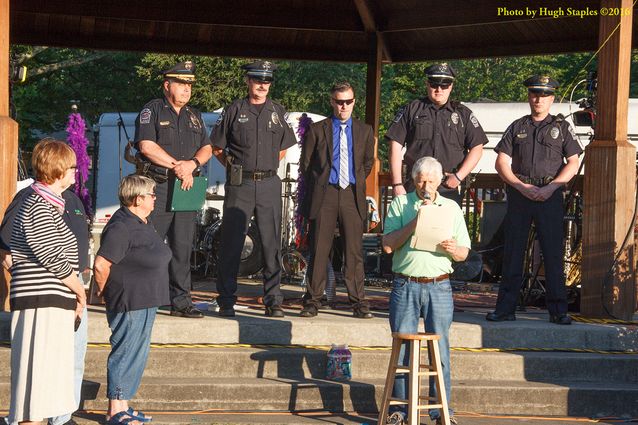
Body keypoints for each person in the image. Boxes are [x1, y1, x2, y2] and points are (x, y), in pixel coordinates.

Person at [486, 75, 582, 325]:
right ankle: (505, 309)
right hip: (520, 193)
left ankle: (558, 310)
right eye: (534, 93)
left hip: (550, 195)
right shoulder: (517, 126)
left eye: (544, 94)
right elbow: (501, 162)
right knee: (513, 252)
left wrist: (552, 188)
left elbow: (573, 162)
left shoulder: (562, 128)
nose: (538, 99)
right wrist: (519, 185)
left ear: (552, 98)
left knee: (552, 253)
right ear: (529, 96)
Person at [382, 156, 470, 425]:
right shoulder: (400, 203)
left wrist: (456, 250)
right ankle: (400, 410)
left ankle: (441, 411)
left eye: (431, 181)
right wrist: (416, 221)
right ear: (413, 180)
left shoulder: (452, 208)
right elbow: (387, 245)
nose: (425, 185)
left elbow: (464, 253)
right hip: (406, 284)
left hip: (439, 286)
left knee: (440, 351)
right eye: (421, 180)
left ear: (440, 182)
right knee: (404, 349)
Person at [4, 140, 85, 425]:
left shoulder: (50, 205)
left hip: (51, 304)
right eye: (73, 166)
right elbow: (51, 255)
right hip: (41, 306)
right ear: (58, 169)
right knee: (36, 395)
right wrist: (80, 292)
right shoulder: (36, 204)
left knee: (44, 392)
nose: (76, 172)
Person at [210, 60, 297, 317]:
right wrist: (234, 167)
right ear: (248, 81)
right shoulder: (234, 110)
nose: (263, 85)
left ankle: (273, 300)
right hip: (241, 183)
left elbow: (283, 148)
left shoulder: (277, 111)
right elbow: (216, 147)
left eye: (267, 80)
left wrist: (265, 167)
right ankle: (226, 299)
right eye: (258, 80)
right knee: (232, 243)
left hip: (269, 183)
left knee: (271, 244)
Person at [134, 60, 212, 319]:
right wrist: (177, 166)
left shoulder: (195, 116)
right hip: (159, 186)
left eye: (189, 85)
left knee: (182, 246)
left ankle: (181, 301)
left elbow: (207, 148)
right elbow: (146, 146)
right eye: (181, 84)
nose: (187, 89)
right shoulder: (152, 110)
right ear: (167, 85)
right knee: (151, 243)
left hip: (187, 186)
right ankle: (146, 298)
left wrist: (191, 164)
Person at [93, 175, 172, 425]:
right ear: (138, 199)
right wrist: (105, 293)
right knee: (125, 352)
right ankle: (115, 409)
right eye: (151, 195)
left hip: (145, 299)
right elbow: (101, 264)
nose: (155, 198)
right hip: (129, 300)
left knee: (137, 353)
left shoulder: (141, 222)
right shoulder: (122, 225)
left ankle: (123, 405)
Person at [298, 81, 375, 318]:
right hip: (326, 193)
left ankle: (358, 301)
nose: (344, 106)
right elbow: (307, 163)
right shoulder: (318, 129)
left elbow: (367, 163)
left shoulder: (365, 131)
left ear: (354, 102)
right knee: (320, 249)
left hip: (351, 193)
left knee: (354, 251)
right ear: (332, 102)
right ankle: (312, 300)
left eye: (348, 102)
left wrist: (355, 180)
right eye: (339, 102)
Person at [385, 63, 488, 204]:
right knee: (414, 225)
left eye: (444, 85)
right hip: (417, 186)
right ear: (427, 84)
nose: (439, 89)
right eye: (434, 84)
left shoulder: (463, 114)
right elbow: (394, 146)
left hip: (448, 187)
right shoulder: (411, 109)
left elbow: (477, 147)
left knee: (446, 226)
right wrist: (397, 184)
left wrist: (458, 177)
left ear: (451, 86)